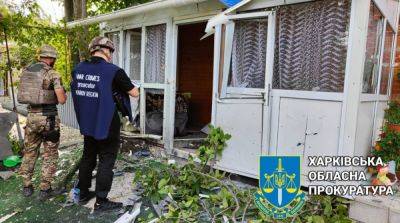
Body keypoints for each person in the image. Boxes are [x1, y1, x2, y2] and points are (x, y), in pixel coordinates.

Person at [71, 36, 139, 212]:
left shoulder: (78, 69)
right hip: (107, 122)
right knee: (107, 159)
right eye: (110, 51)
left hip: (87, 122)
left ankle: (83, 192)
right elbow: (134, 93)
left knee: (88, 156)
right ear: (106, 51)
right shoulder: (114, 71)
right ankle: (101, 201)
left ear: (92, 50)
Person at [18, 45, 67, 201]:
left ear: (40, 57)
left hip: (31, 117)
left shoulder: (26, 71)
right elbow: (62, 100)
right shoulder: (52, 74)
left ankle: (27, 185)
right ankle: (45, 189)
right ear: (51, 58)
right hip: (48, 118)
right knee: (50, 154)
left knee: (30, 151)